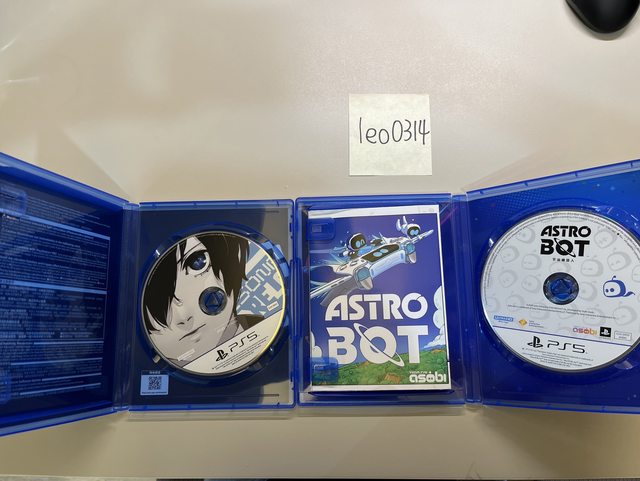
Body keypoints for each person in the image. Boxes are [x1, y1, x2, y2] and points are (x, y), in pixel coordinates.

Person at [143, 233, 262, 366]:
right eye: (155, 295)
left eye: (196, 262)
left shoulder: (267, 329)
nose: (184, 316)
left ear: (235, 255)